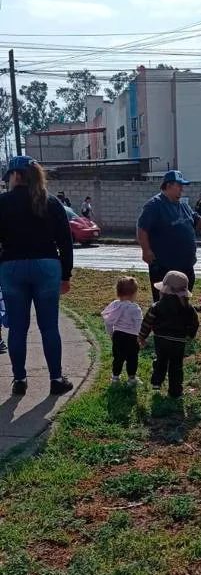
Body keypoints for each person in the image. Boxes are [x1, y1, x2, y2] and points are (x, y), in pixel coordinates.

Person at [0, 156, 74, 397]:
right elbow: (65, 242)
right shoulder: (51, 203)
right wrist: (66, 275)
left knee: (18, 328)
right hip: (47, 266)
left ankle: (19, 379)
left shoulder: (2, 202)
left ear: (15, 176)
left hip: (11, 267)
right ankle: (55, 379)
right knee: (49, 327)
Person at [137, 169, 201, 301]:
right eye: (179, 186)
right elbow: (142, 229)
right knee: (164, 303)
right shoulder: (154, 205)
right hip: (164, 267)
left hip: (186, 265)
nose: (181, 189)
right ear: (168, 186)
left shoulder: (183, 206)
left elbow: (196, 220)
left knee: (183, 302)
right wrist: (146, 250)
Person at [139, 270, 199, 399]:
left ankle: (156, 382)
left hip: (160, 340)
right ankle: (175, 392)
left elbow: (147, 322)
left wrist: (142, 336)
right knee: (176, 366)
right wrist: (190, 335)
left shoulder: (157, 306)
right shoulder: (188, 308)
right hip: (179, 341)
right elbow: (194, 323)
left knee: (161, 360)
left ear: (164, 289)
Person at [101, 276, 143, 386]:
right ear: (133, 293)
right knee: (132, 358)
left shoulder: (114, 304)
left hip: (118, 335)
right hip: (132, 337)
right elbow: (139, 324)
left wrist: (111, 333)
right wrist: (141, 337)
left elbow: (108, 321)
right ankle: (131, 378)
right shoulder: (135, 308)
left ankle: (115, 377)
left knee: (117, 358)